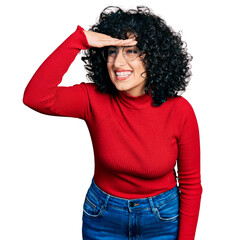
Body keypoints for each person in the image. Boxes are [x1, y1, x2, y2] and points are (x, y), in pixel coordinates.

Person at [23, 5, 203, 240]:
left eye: (131, 51)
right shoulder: (92, 99)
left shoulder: (180, 110)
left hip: (161, 218)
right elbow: (35, 97)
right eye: (112, 51)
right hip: (103, 216)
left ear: (155, 57)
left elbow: (191, 185)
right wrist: (78, 39)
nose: (118, 63)